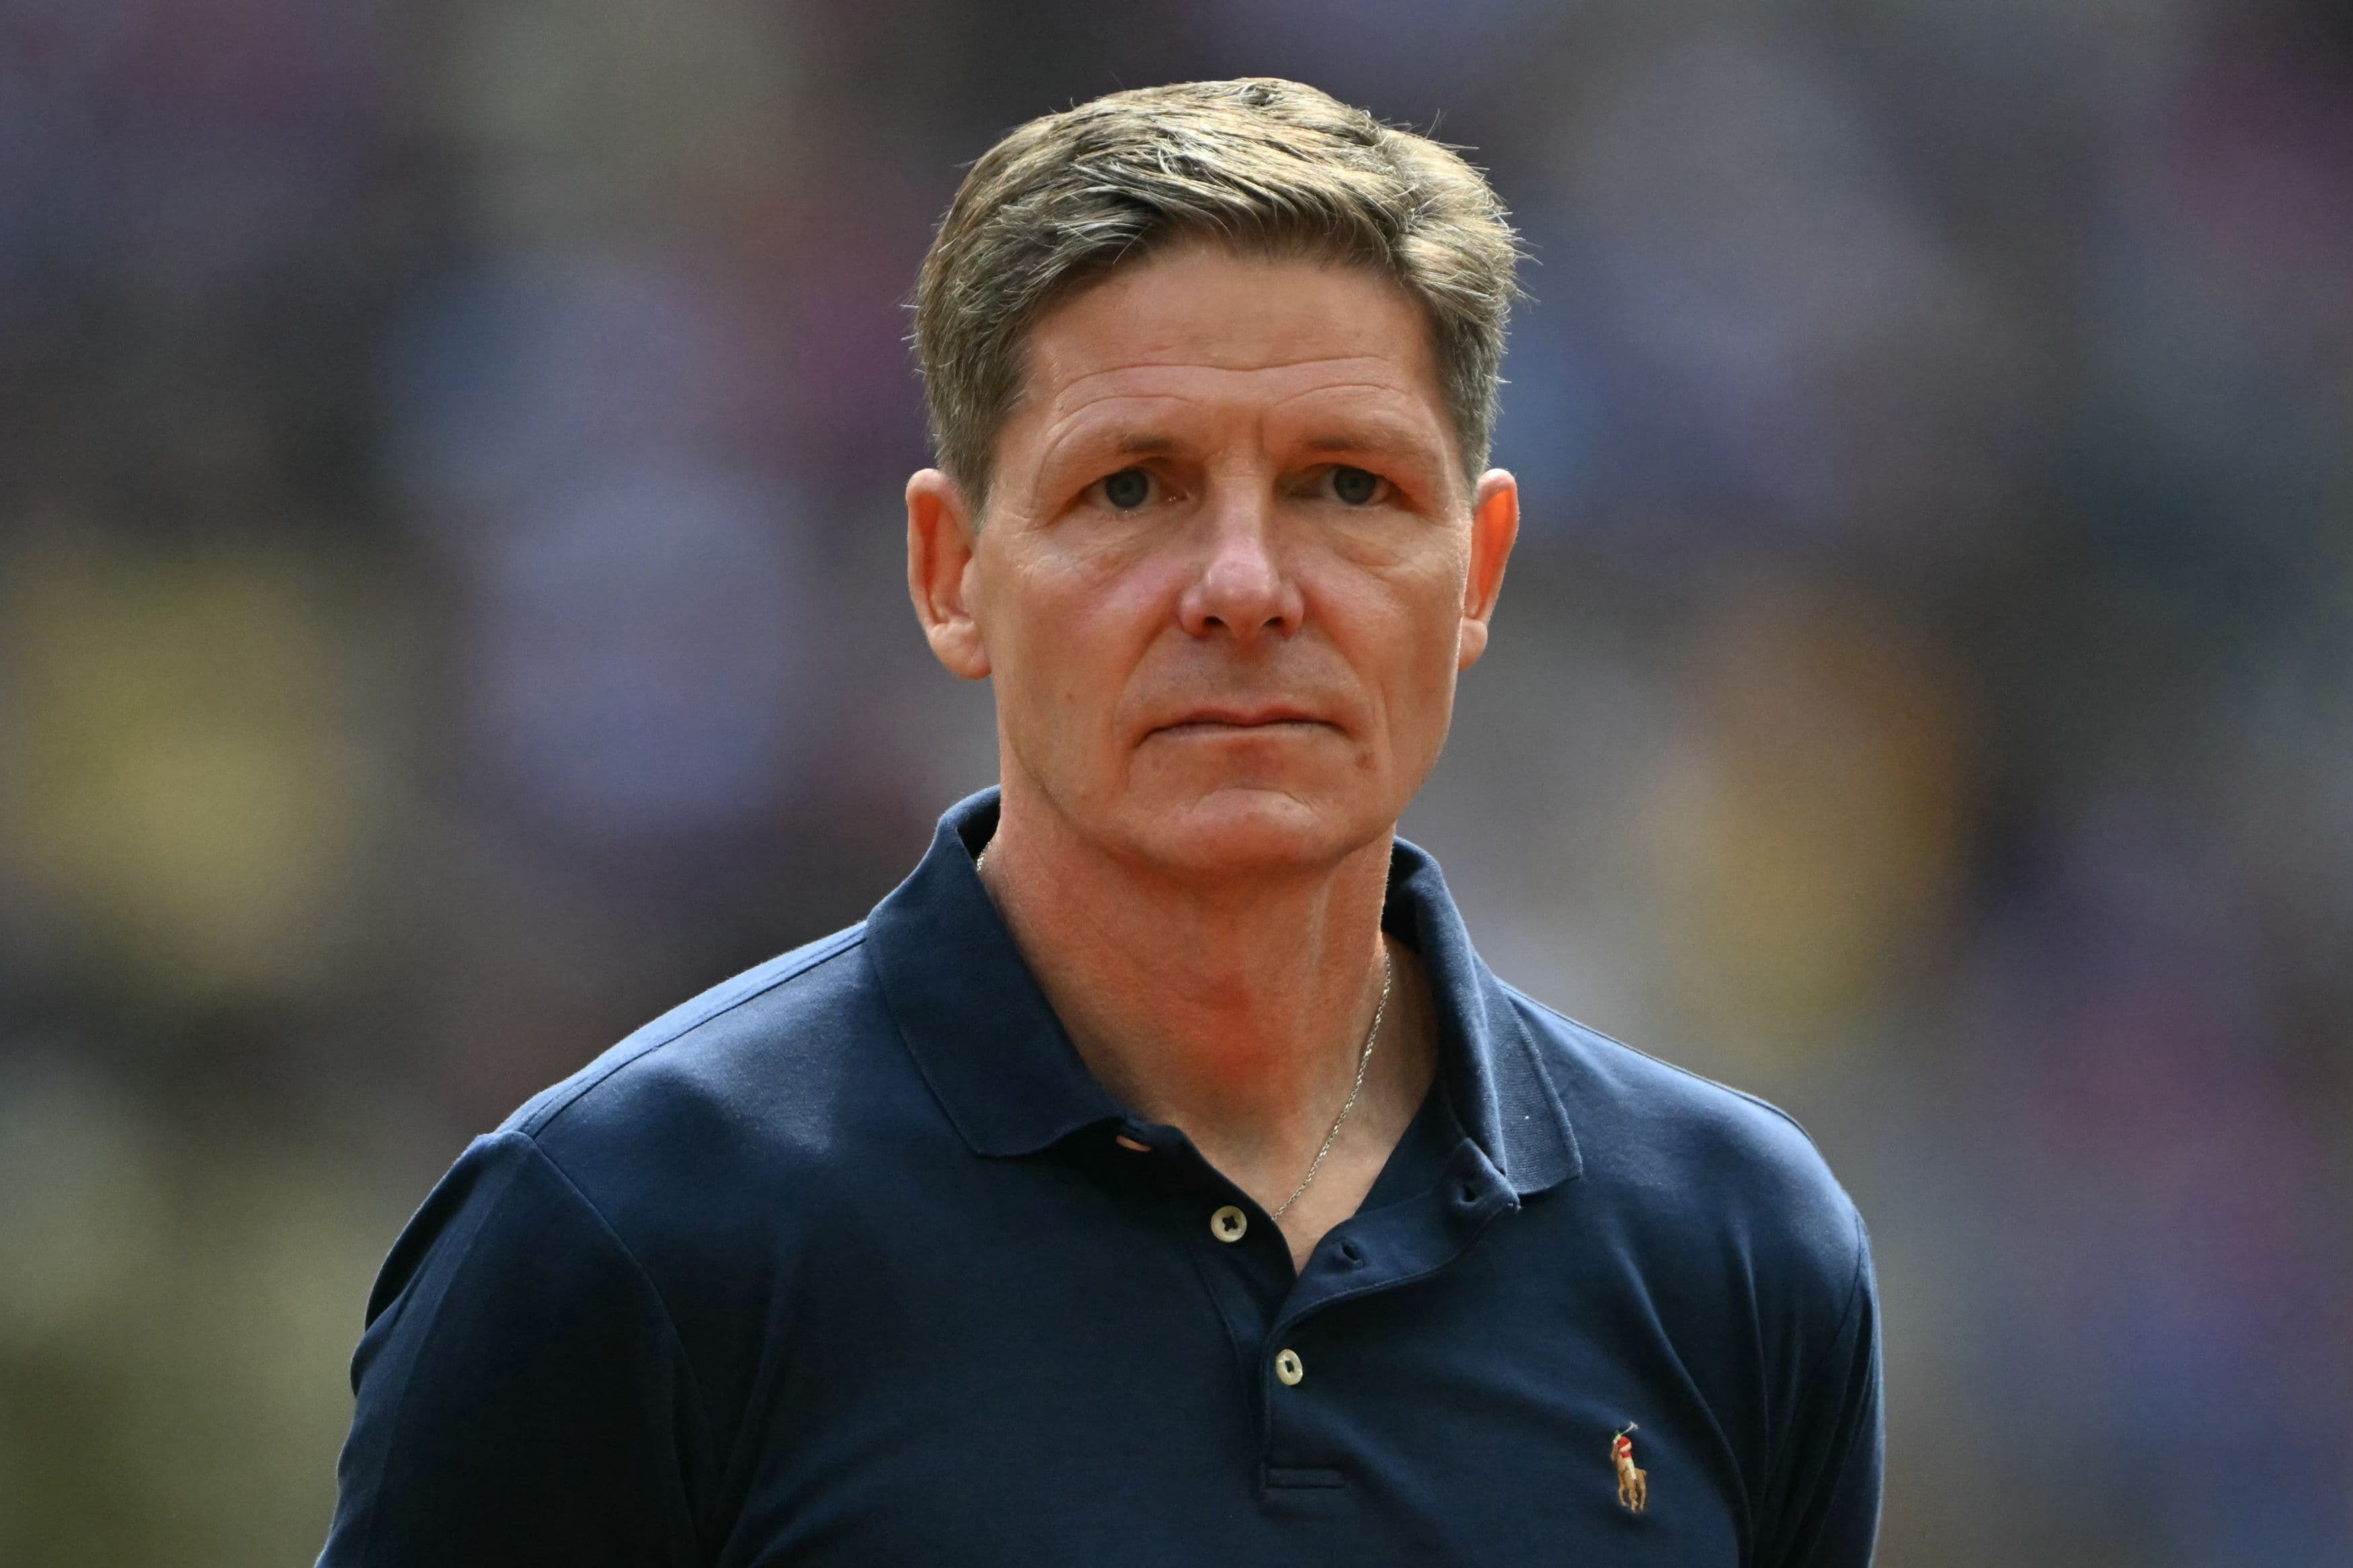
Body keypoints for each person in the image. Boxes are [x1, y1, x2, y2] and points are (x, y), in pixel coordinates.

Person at [319, 78, 1881, 1566]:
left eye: (1348, 486)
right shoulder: (623, 1238)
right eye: (1132, 489)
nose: (1248, 587)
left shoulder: (1733, 1251)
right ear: (952, 571)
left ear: (1473, 572)